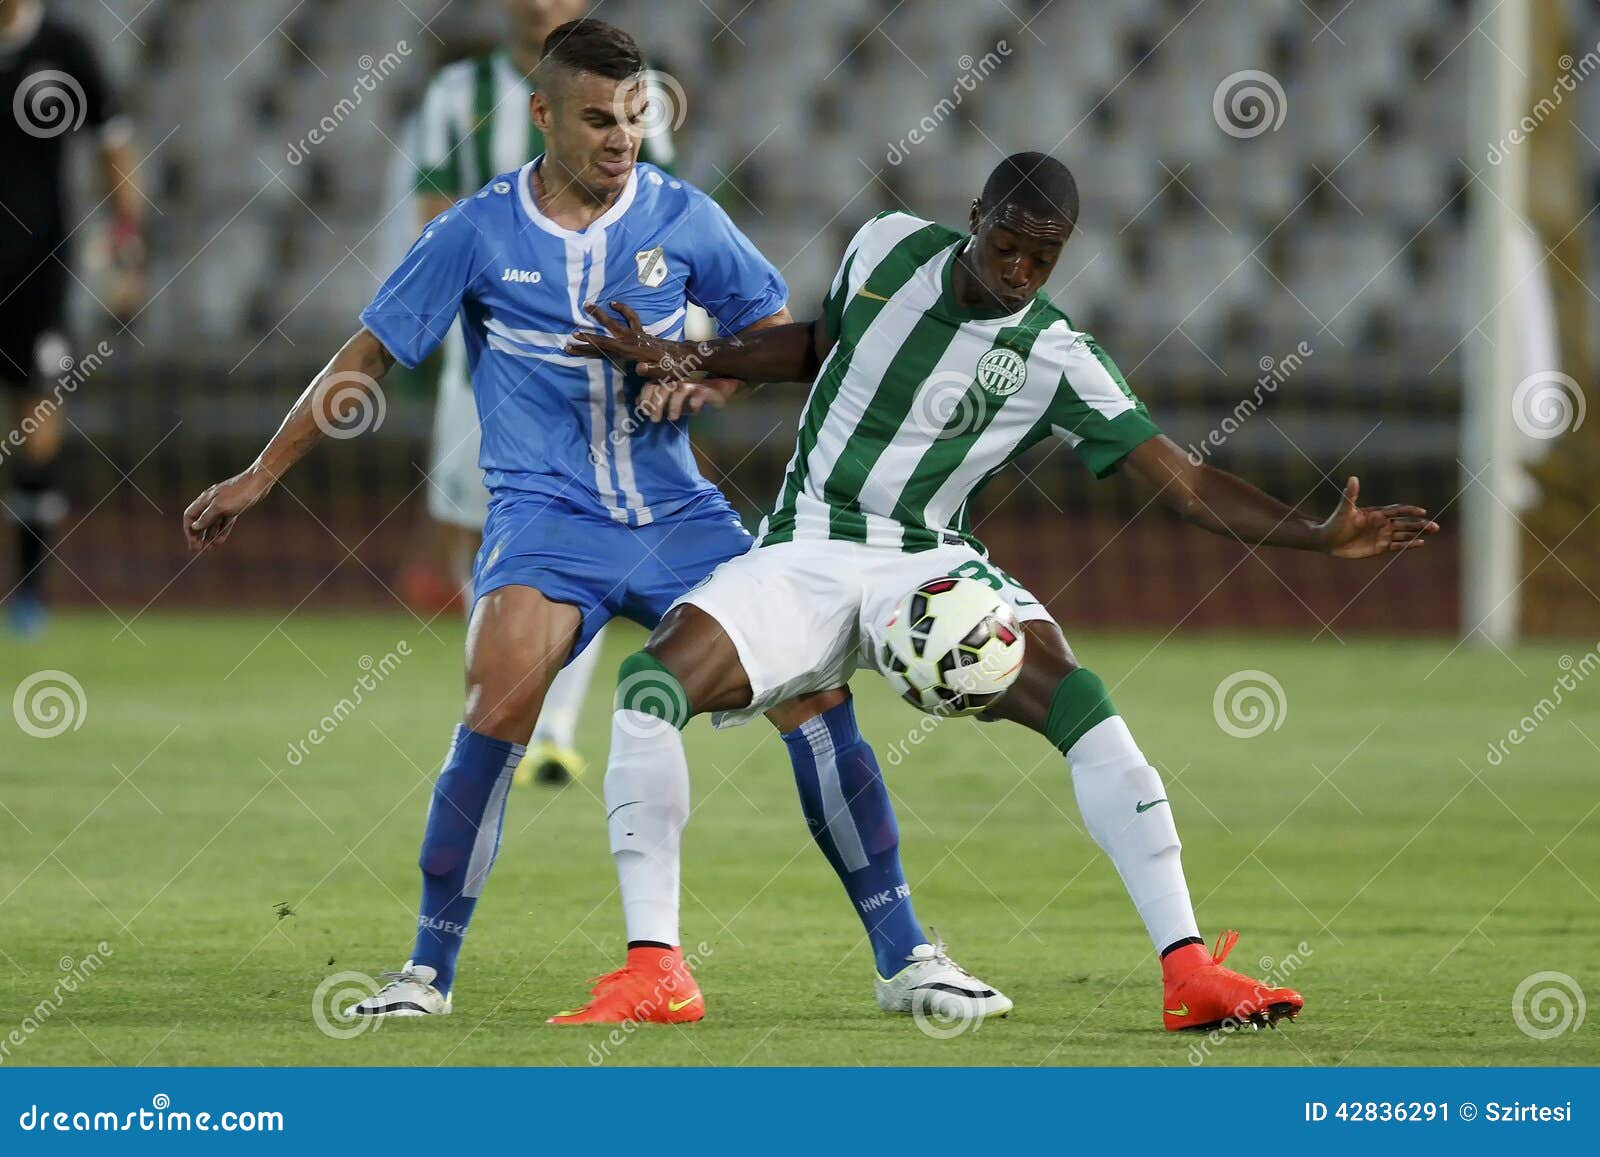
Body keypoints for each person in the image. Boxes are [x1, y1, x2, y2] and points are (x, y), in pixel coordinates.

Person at [183, 19, 1005, 1026]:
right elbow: (368, 356)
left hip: (679, 515)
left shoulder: (686, 218)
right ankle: (425, 971)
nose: (620, 138)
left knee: (816, 697)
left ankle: (904, 953)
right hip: (544, 516)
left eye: (633, 117)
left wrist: (693, 378)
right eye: (597, 119)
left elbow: (777, 342)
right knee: (496, 702)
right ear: (543, 116)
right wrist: (264, 471)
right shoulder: (475, 232)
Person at [562, 151, 1441, 1031]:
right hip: (809, 549)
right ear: (977, 216)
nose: (1019, 272)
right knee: (649, 689)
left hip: (931, 562)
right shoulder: (886, 246)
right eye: (1007, 246)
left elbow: (1184, 482)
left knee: (1087, 707)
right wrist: (690, 354)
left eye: (1042, 259)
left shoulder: (1058, 356)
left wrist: (1317, 534)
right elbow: (823, 344)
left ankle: (1188, 969)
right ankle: (658, 971)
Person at [413, 0, 680, 787]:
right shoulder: (456, 95)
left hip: (593, 362)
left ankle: (552, 729)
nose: (541, 4)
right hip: (489, 359)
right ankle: (504, 708)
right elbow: (433, 216)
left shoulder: (640, 94)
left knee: (587, 527)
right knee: (479, 533)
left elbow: (659, 209)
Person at [0, 0, 144, 636]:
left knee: (36, 424)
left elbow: (115, 147)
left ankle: (30, 595)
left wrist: (128, 248)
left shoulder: (64, 48)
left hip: (40, 271)